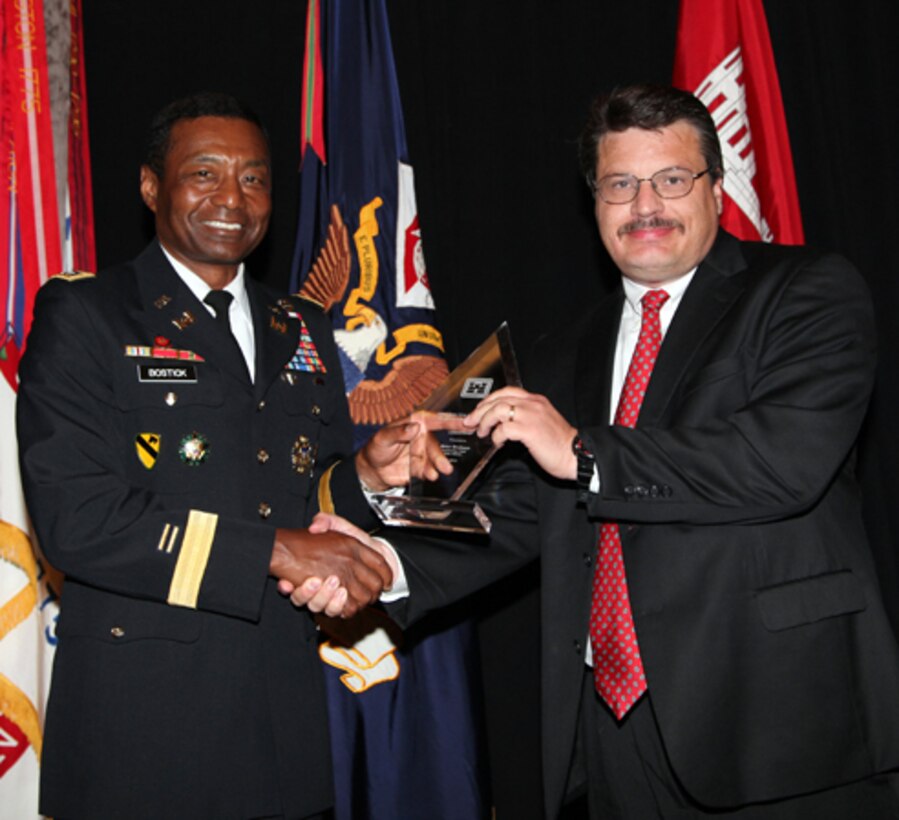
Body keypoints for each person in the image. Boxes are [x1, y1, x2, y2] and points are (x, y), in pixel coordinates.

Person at [301, 83, 899, 818]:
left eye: (670, 180)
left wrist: (586, 451)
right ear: (594, 203)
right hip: (614, 734)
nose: (644, 205)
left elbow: (779, 464)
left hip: (778, 723)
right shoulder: (562, 351)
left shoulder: (806, 292)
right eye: (620, 185)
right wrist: (380, 568)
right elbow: (520, 515)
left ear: (716, 189)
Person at [16, 91, 417, 820]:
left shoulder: (300, 326)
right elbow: (78, 521)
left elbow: (307, 498)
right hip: (140, 732)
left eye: (255, 178)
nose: (233, 197)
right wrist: (275, 552)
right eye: (203, 173)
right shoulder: (89, 315)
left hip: (278, 719)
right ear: (150, 186)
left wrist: (364, 472)